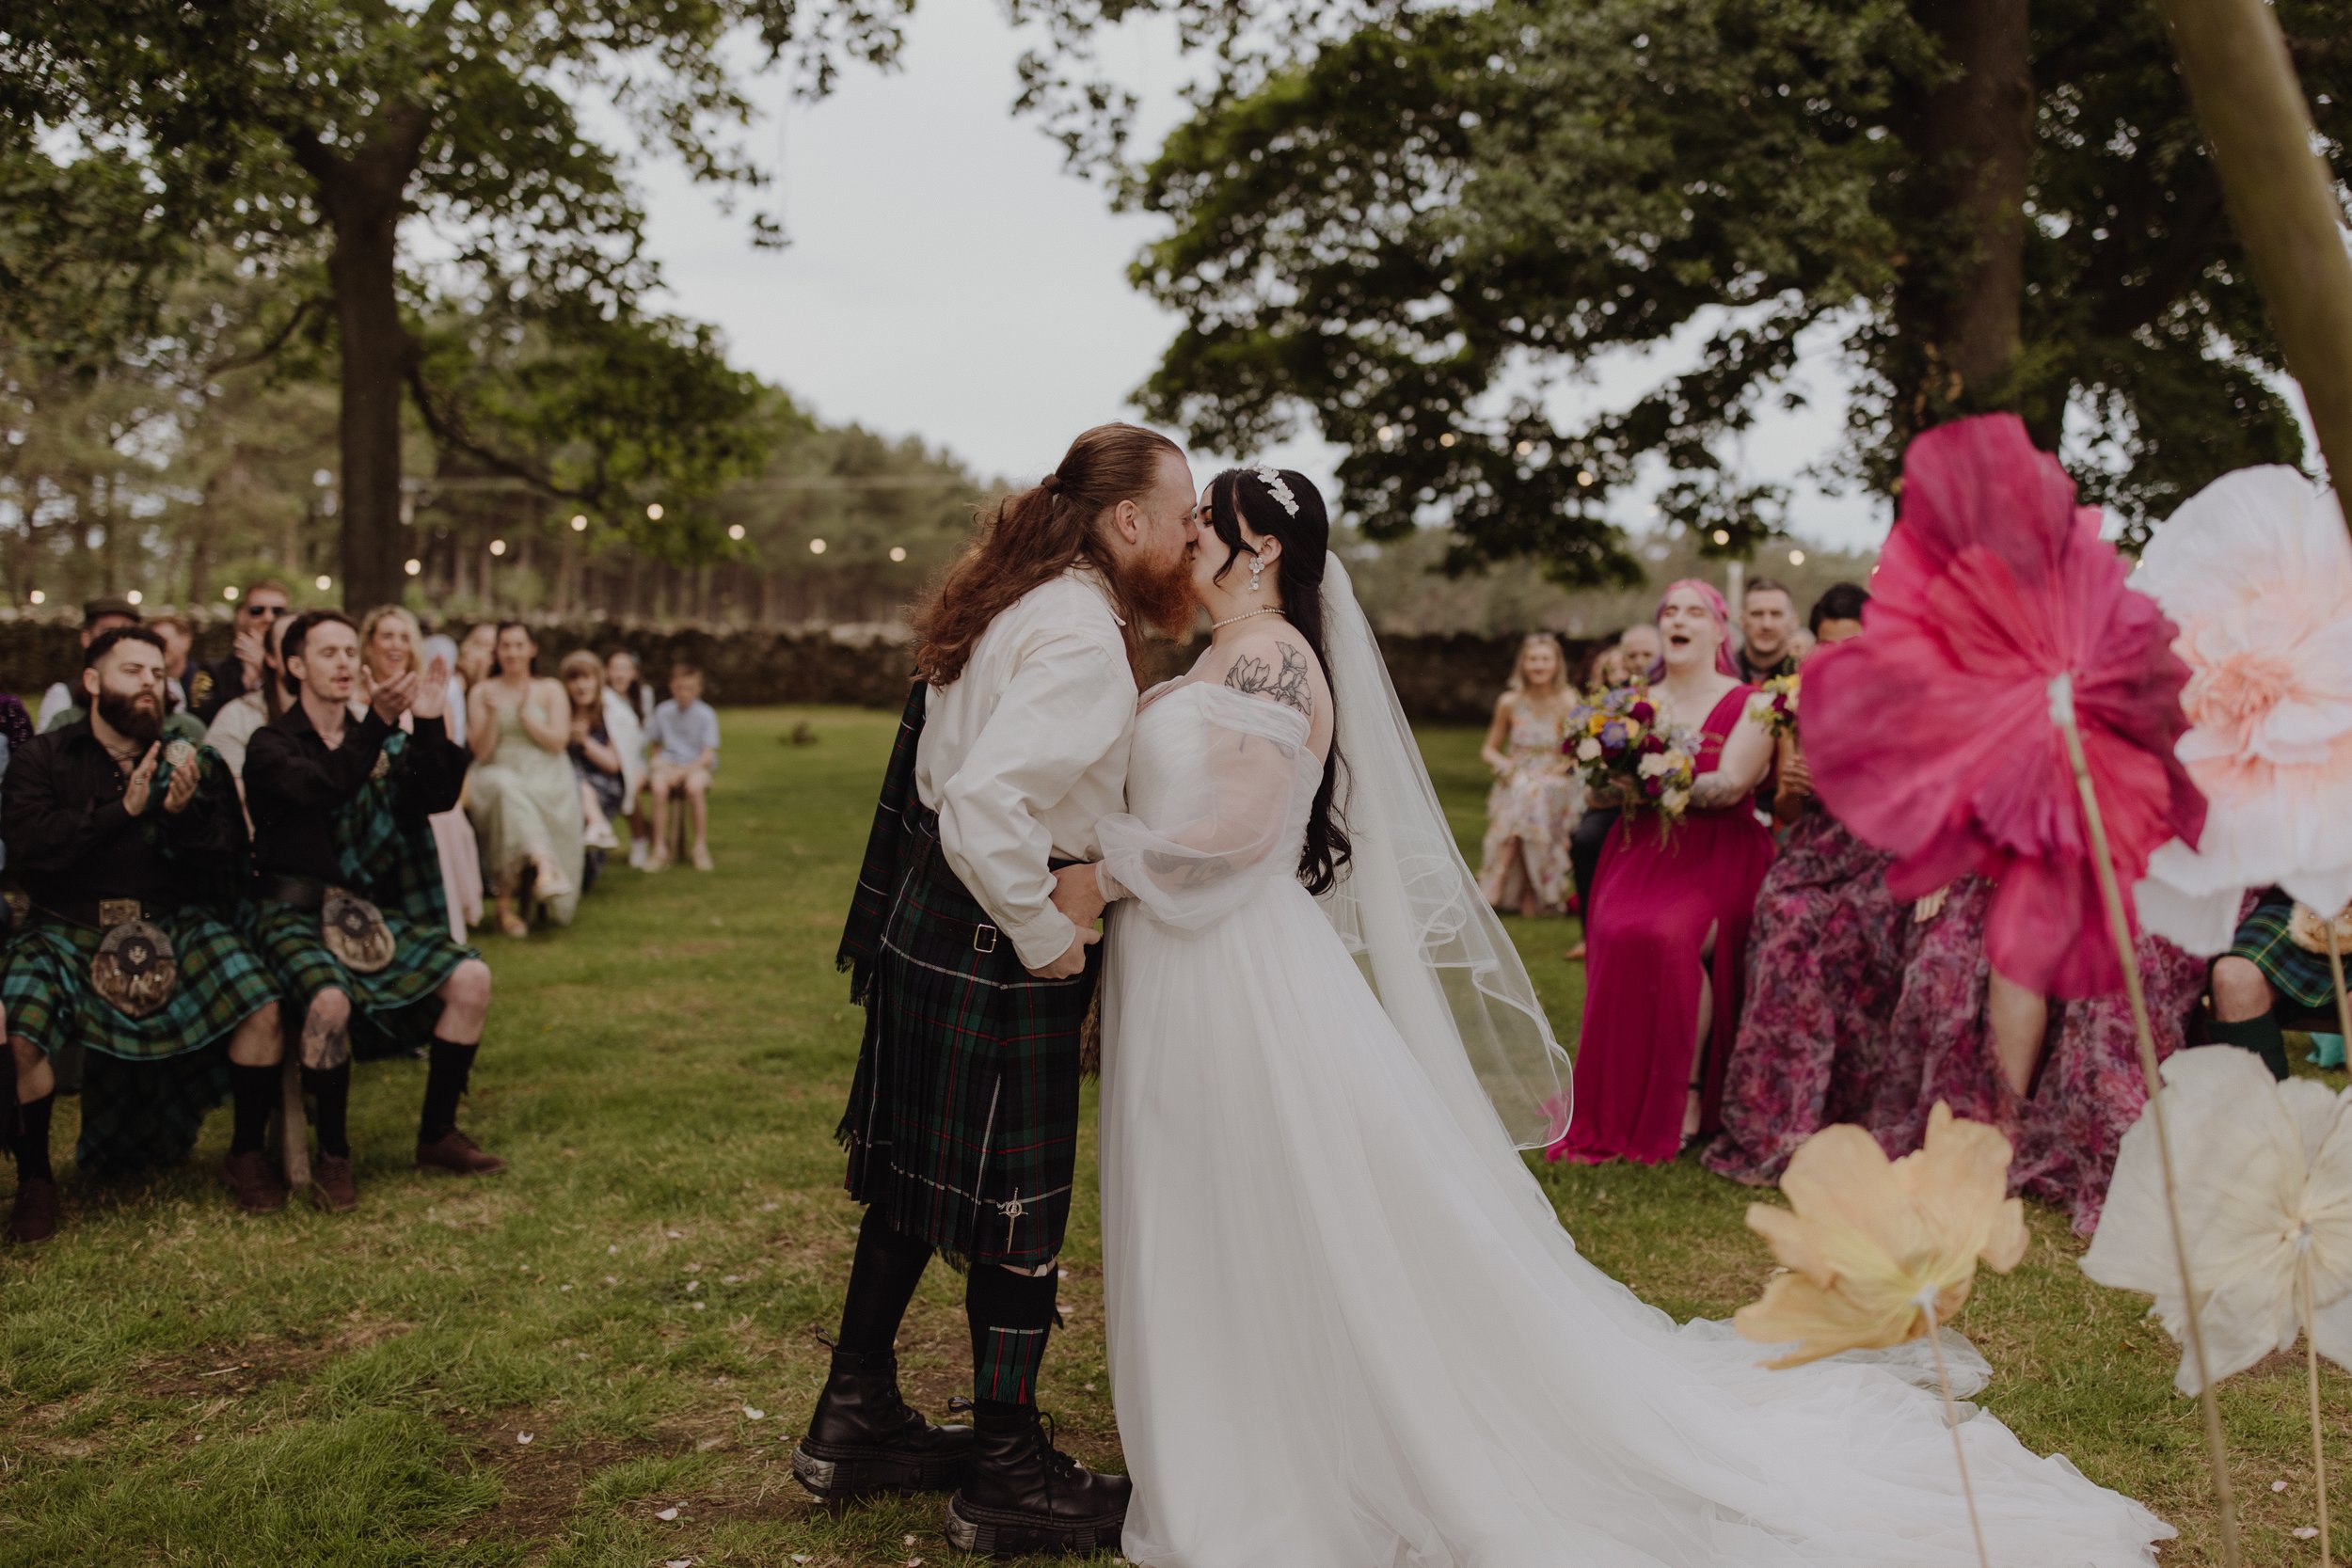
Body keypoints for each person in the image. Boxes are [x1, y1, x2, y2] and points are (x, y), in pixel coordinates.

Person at [1061, 468, 2165, 1568]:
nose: (1191, 528)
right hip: (1189, 965)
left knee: (1262, 1193)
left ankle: (1265, 1450)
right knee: (1217, 1189)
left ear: (1259, 549)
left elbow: (1241, 833)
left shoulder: (1270, 657)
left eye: (1211, 517)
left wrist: (1099, 869)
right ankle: (1240, 1415)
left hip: (1236, 972)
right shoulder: (1217, 655)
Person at [798, 422, 1199, 1554]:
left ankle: (855, 1411)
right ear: (1129, 522)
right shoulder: (1079, 634)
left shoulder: (1029, 597)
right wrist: (1044, 934)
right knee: (1017, 1218)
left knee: (916, 1187)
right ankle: (1008, 1468)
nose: (1187, 537)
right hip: (989, 933)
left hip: (936, 924)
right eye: (1179, 516)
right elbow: (984, 805)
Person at [3, 627, 287, 1243]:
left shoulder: (192, 760)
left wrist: (184, 817)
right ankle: (35, 1180)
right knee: (21, 1036)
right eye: (133, 671)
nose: (149, 685)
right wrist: (121, 812)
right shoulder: (44, 758)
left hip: (170, 924)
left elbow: (228, 861)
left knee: (261, 1004)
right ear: (92, 681)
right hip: (67, 930)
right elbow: (30, 851)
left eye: (158, 674)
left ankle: (244, 1152)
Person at [243, 610, 501, 1212]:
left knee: (471, 979)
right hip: (293, 915)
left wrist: (429, 720)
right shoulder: (271, 746)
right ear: (295, 666)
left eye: (346, 652)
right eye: (325, 653)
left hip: (366, 914)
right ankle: (334, 1154)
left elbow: (433, 795)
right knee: (329, 1001)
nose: (341, 663)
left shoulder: (378, 736)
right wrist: (381, 722)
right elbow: (323, 786)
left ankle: (437, 1133)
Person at [1550, 580, 1775, 1164]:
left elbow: (1728, 787)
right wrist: (1606, 770)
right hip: (1642, 848)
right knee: (1618, 933)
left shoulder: (1751, 702)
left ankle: (1688, 1095)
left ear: (1721, 631)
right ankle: (1619, 1093)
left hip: (1720, 853)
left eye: (1695, 612)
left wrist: (1651, 777)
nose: (1679, 620)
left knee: (1666, 937)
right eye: (1670, 610)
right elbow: (1600, 792)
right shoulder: (1631, 702)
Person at [1703, 582, 1911, 1185]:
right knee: (1787, 916)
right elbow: (1789, 816)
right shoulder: (1799, 701)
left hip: (1883, 855)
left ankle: (1852, 1114)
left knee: (1855, 929)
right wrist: (1793, 784)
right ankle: (1779, 1115)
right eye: (1825, 644)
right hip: (1815, 852)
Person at [1872, 879, 2208, 1236]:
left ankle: (2007, 1140)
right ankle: (1999, 1135)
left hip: (2169, 896)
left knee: (2097, 931)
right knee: (2006, 939)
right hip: (2066, 876)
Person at [362, 607, 485, 942]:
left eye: (404, 637)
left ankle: (442, 932)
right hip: (372, 800)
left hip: (424, 800)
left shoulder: (430, 696)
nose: (395, 645)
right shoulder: (355, 695)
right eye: (386, 636)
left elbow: (442, 764)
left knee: (445, 820)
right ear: (369, 644)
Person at [465, 623, 584, 936]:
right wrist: (492, 715)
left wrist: (525, 717)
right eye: (505, 646)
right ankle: (544, 864)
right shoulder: (481, 692)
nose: (512, 653)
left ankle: (508, 904)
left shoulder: (550, 689)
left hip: (545, 773)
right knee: (506, 789)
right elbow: (481, 753)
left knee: (515, 798)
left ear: (532, 649)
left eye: (519, 645)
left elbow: (558, 742)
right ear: (497, 651)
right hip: (496, 771)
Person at [1565, 621, 1661, 961]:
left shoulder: (1666, 698)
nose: (1638, 661)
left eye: (1647, 654)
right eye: (1631, 654)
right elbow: (1587, 775)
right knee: (1587, 840)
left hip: (1660, 801)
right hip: (1610, 802)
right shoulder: (1607, 706)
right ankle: (1590, 934)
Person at [1475, 634, 1582, 917]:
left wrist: (1561, 767)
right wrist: (1505, 765)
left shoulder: (1569, 701)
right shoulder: (1509, 702)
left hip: (1555, 780)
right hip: (1518, 777)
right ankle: (1529, 891)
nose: (1539, 665)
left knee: (1529, 792)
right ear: (1523, 663)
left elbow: (1579, 753)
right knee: (1525, 790)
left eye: (1545, 659)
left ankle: (1498, 879)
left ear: (1556, 664)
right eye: (1533, 659)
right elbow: (1489, 748)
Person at [40, 597, 207, 743]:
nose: (120, 640)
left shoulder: (183, 724)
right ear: (86, 638)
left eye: (129, 632)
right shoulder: (62, 702)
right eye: (109, 632)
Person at [644, 663, 721, 872]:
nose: (684, 693)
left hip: (696, 765)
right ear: (672, 687)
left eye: (689, 688)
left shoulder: (706, 714)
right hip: (668, 763)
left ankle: (700, 847)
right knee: (658, 788)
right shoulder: (663, 711)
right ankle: (659, 848)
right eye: (680, 687)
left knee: (695, 789)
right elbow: (655, 745)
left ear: (698, 689)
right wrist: (662, 766)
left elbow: (707, 755)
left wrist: (684, 772)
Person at [560, 650, 628, 875]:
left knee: (577, 782)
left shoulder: (608, 715)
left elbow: (613, 764)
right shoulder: (561, 713)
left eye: (586, 678)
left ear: (596, 681)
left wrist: (584, 742)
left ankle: (597, 824)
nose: (580, 685)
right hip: (567, 785)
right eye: (574, 678)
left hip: (603, 785)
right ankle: (597, 829)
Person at [188, 578, 291, 725]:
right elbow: (200, 722)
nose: (268, 618)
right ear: (242, 615)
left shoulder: (299, 673)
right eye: (257, 610)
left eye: (278, 612)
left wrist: (265, 671)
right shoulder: (210, 672)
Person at [1736, 575, 1800, 683]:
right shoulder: (1723, 672)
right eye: (1757, 614)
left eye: (1776, 614)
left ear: (1794, 622)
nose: (1766, 625)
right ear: (1742, 621)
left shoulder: (1806, 677)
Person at [149, 614, 195, 711]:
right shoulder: (148, 683)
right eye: (154, 642)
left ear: (186, 641)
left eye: (163, 641)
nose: (159, 647)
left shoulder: (206, 679)